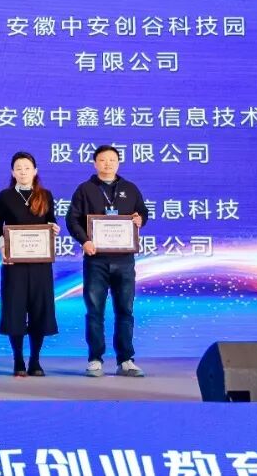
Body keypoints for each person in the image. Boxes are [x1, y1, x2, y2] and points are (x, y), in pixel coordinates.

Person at [67, 144, 148, 378]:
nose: (108, 164)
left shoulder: (130, 189)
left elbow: (142, 213)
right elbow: (72, 219)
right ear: (95, 163)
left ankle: (126, 360)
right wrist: (84, 241)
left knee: (125, 311)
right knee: (95, 312)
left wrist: (140, 219)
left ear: (118, 163)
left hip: (124, 261)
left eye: (112, 160)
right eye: (102, 160)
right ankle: (95, 359)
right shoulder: (85, 189)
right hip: (96, 260)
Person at [0, 152, 59, 377]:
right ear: (12, 172)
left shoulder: (45, 195)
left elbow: (52, 222)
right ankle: (18, 359)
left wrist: (54, 229)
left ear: (35, 171)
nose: (23, 172)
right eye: (18, 168)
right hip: (14, 264)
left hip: (40, 263)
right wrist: (4, 248)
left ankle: (35, 360)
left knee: (39, 309)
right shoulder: (5, 196)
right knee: (15, 310)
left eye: (27, 168)